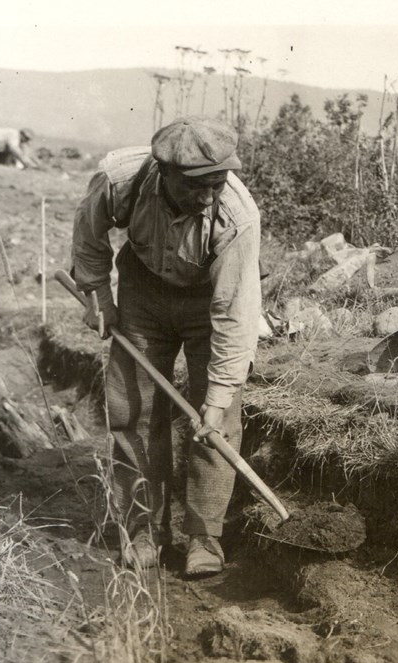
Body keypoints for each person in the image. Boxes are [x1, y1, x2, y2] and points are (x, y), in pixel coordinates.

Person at [70, 116, 262, 576]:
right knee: (132, 410)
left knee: (215, 421)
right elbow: (88, 233)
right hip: (142, 291)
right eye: (198, 186)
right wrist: (97, 294)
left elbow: (235, 316)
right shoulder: (121, 179)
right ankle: (143, 529)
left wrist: (216, 400)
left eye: (218, 183)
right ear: (165, 174)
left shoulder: (237, 215)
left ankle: (204, 536)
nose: (210, 195)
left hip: (207, 302)